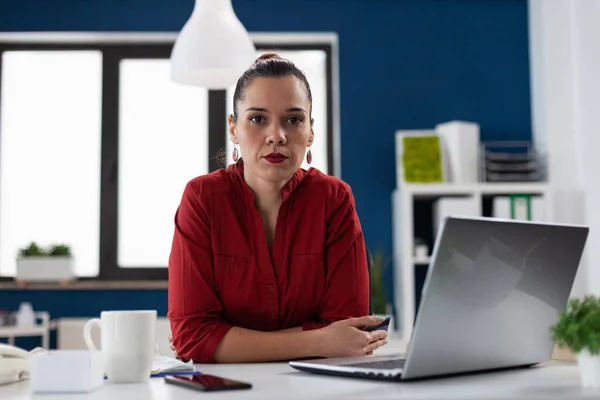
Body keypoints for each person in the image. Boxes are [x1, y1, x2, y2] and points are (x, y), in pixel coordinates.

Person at [167, 53, 388, 364]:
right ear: (233, 128)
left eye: (293, 119)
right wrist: (320, 339)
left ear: (311, 131)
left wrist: (223, 340)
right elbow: (193, 336)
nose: (277, 136)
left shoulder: (334, 199)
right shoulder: (202, 198)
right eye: (258, 119)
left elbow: (347, 329)